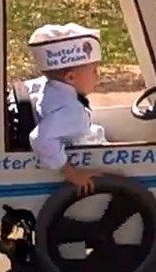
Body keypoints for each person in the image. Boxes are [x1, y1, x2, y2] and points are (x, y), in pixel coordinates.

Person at [28, 23, 108, 195]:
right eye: (94, 70)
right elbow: (40, 138)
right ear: (71, 77)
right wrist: (70, 171)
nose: (98, 76)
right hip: (84, 160)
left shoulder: (44, 86)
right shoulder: (71, 111)